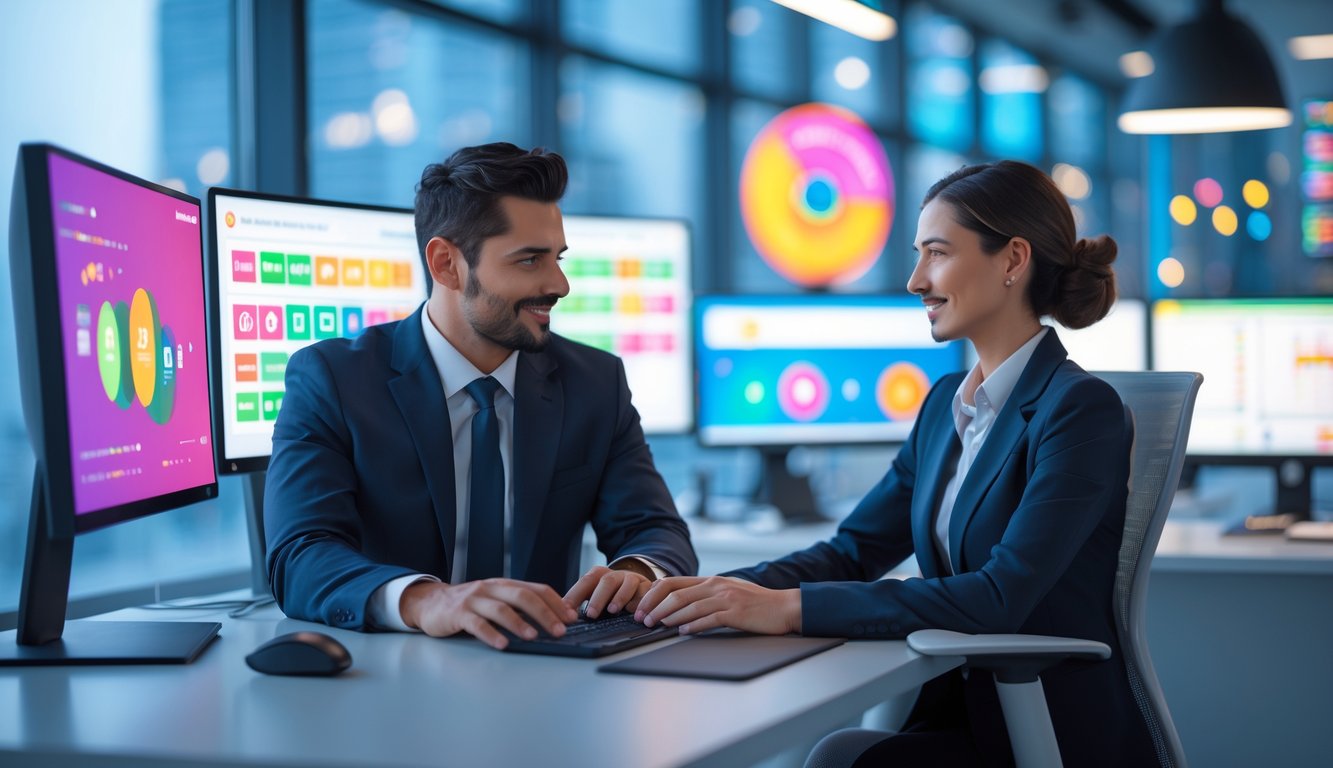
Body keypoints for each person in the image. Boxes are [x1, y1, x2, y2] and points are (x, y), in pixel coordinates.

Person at [636, 161, 1156, 766]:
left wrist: (785, 610)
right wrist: (718, 592)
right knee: (834, 752)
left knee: (838, 759)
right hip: (957, 709)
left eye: (936, 253)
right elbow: (853, 552)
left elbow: (998, 597)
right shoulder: (944, 408)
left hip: (1047, 728)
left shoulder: (1079, 409)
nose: (915, 281)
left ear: (1013, 260)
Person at [264, 142, 697, 650]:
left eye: (557, 258)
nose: (559, 284)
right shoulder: (333, 380)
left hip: (548, 674)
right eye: (530, 260)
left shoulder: (594, 382)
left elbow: (657, 530)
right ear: (446, 264)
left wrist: (635, 570)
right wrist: (426, 600)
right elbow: (299, 554)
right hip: (391, 674)